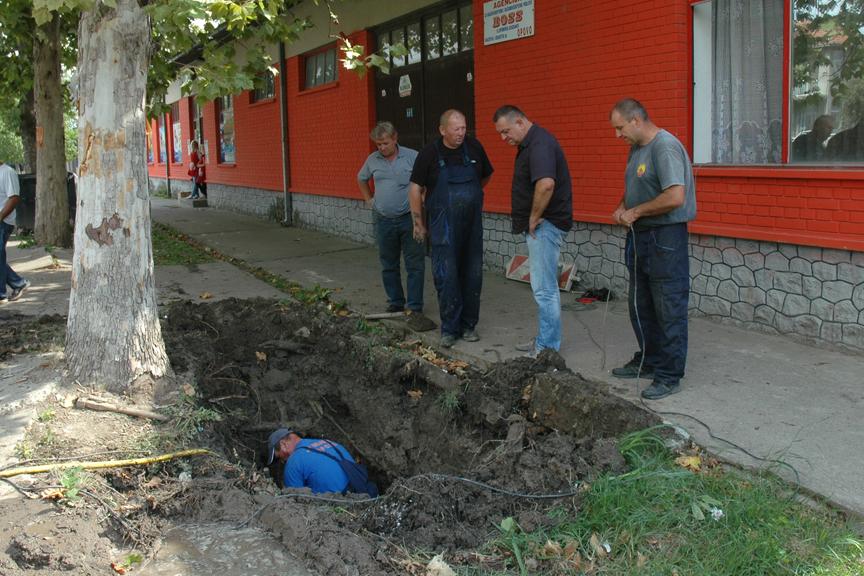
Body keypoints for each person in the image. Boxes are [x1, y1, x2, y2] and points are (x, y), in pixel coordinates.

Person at [609, 98, 697, 400]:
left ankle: (670, 375)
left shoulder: (664, 146)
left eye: (620, 127)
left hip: (665, 237)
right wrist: (623, 206)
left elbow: (675, 196)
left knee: (668, 307)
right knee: (641, 305)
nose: (617, 134)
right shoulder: (637, 149)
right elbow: (636, 186)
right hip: (642, 237)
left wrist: (637, 212)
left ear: (636, 120)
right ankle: (650, 360)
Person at [493, 105, 573, 358]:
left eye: (506, 131)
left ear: (519, 122)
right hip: (543, 223)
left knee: (544, 288)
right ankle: (544, 339)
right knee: (542, 286)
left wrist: (534, 217)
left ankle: (547, 348)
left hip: (545, 225)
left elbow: (547, 184)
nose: (503, 137)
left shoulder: (539, 145)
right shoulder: (532, 143)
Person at [409, 110, 494, 347]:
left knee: (472, 275)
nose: (461, 133)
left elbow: (484, 178)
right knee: (447, 277)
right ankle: (449, 329)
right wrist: (418, 224)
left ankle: (468, 326)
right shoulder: (429, 153)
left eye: (464, 128)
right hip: (443, 228)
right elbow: (415, 189)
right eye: (456, 129)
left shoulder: (474, 147)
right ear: (443, 130)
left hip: (471, 226)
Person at [358, 122, 424, 314]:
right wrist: (369, 199)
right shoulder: (373, 160)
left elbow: (428, 179)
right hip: (384, 220)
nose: (382, 148)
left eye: (385, 143)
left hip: (409, 219)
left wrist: (423, 197)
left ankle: (415, 306)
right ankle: (396, 302)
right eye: (378, 144)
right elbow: (361, 179)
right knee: (388, 265)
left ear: (395, 139)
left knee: (415, 264)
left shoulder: (412, 157)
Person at [266, 429, 377, 497]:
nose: (281, 462)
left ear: (284, 444)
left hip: (345, 505)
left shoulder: (293, 462)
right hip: (369, 493)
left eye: (278, 456)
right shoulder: (328, 443)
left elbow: (295, 502)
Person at [0, 161, 30, 305]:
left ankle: (1, 294)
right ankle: (18, 283)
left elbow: (14, 199)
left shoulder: (7, 172)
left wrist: (0, 217)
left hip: (3, 222)